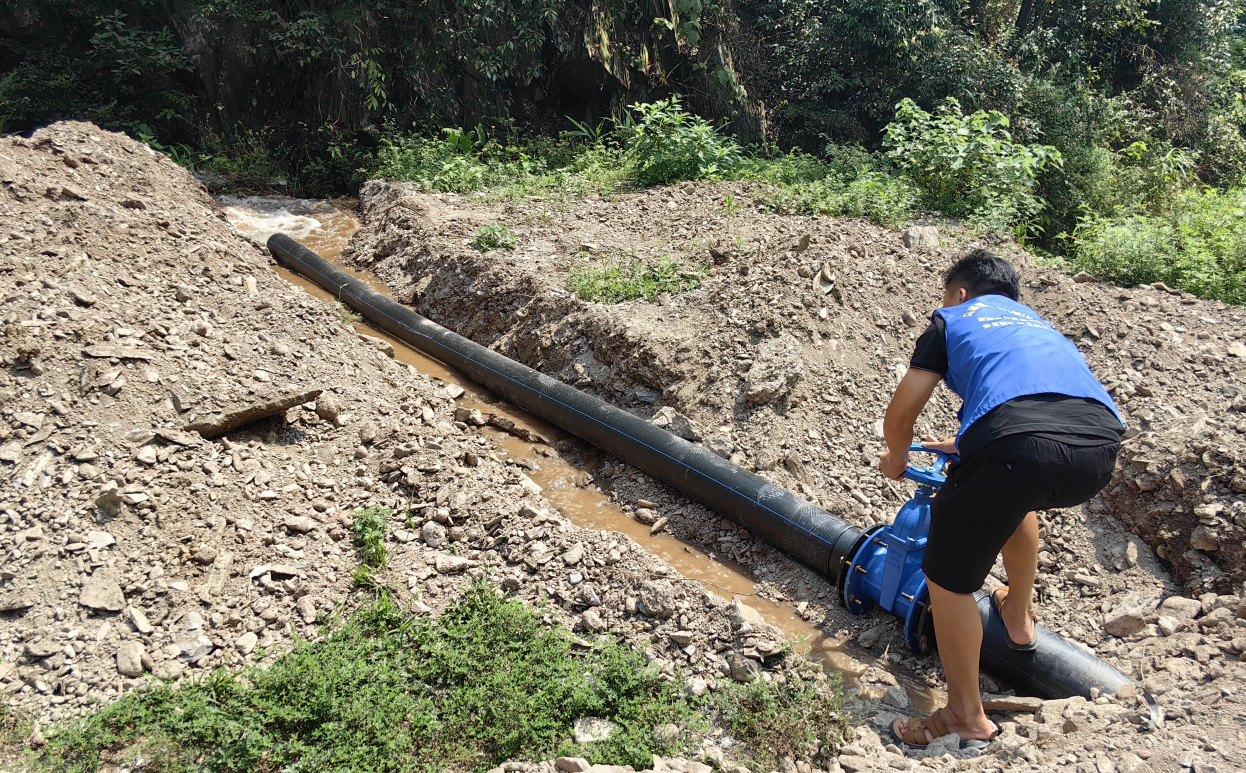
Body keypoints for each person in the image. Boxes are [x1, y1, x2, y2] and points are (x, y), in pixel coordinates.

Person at [878, 249, 1124, 750]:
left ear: (960, 293)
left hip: (1016, 449)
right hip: (1098, 451)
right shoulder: (1038, 326)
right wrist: (971, 443)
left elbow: (902, 413)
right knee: (1016, 498)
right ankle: (1017, 616)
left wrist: (896, 456)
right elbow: (1036, 400)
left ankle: (964, 717)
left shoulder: (952, 319)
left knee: (946, 579)